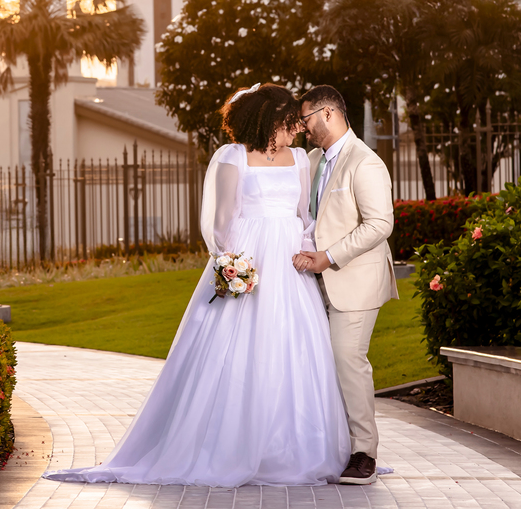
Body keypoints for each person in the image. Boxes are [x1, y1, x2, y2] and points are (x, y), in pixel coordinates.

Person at [44, 83, 350, 487]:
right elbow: (222, 220)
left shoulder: (298, 160)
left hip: (289, 265)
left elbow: (303, 216)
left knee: (293, 348)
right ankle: (226, 447)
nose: (297, 128)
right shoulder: (233, 157)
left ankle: (294, 448)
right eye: (289, 120)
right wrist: (232, 265)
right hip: (249, 258)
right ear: (269, 119)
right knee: (236, 351)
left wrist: (307, 249)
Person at [293, 85, 397, 486]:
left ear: (328, 113)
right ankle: (331, 446)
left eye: (306, 119)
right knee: (320, 363)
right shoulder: (312, 160)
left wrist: (329, 256)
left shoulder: (365, 161)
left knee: (347, 360)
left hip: (355, 280)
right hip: (314, 281)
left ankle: (364, 453)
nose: (303, 128)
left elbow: (380, 224)